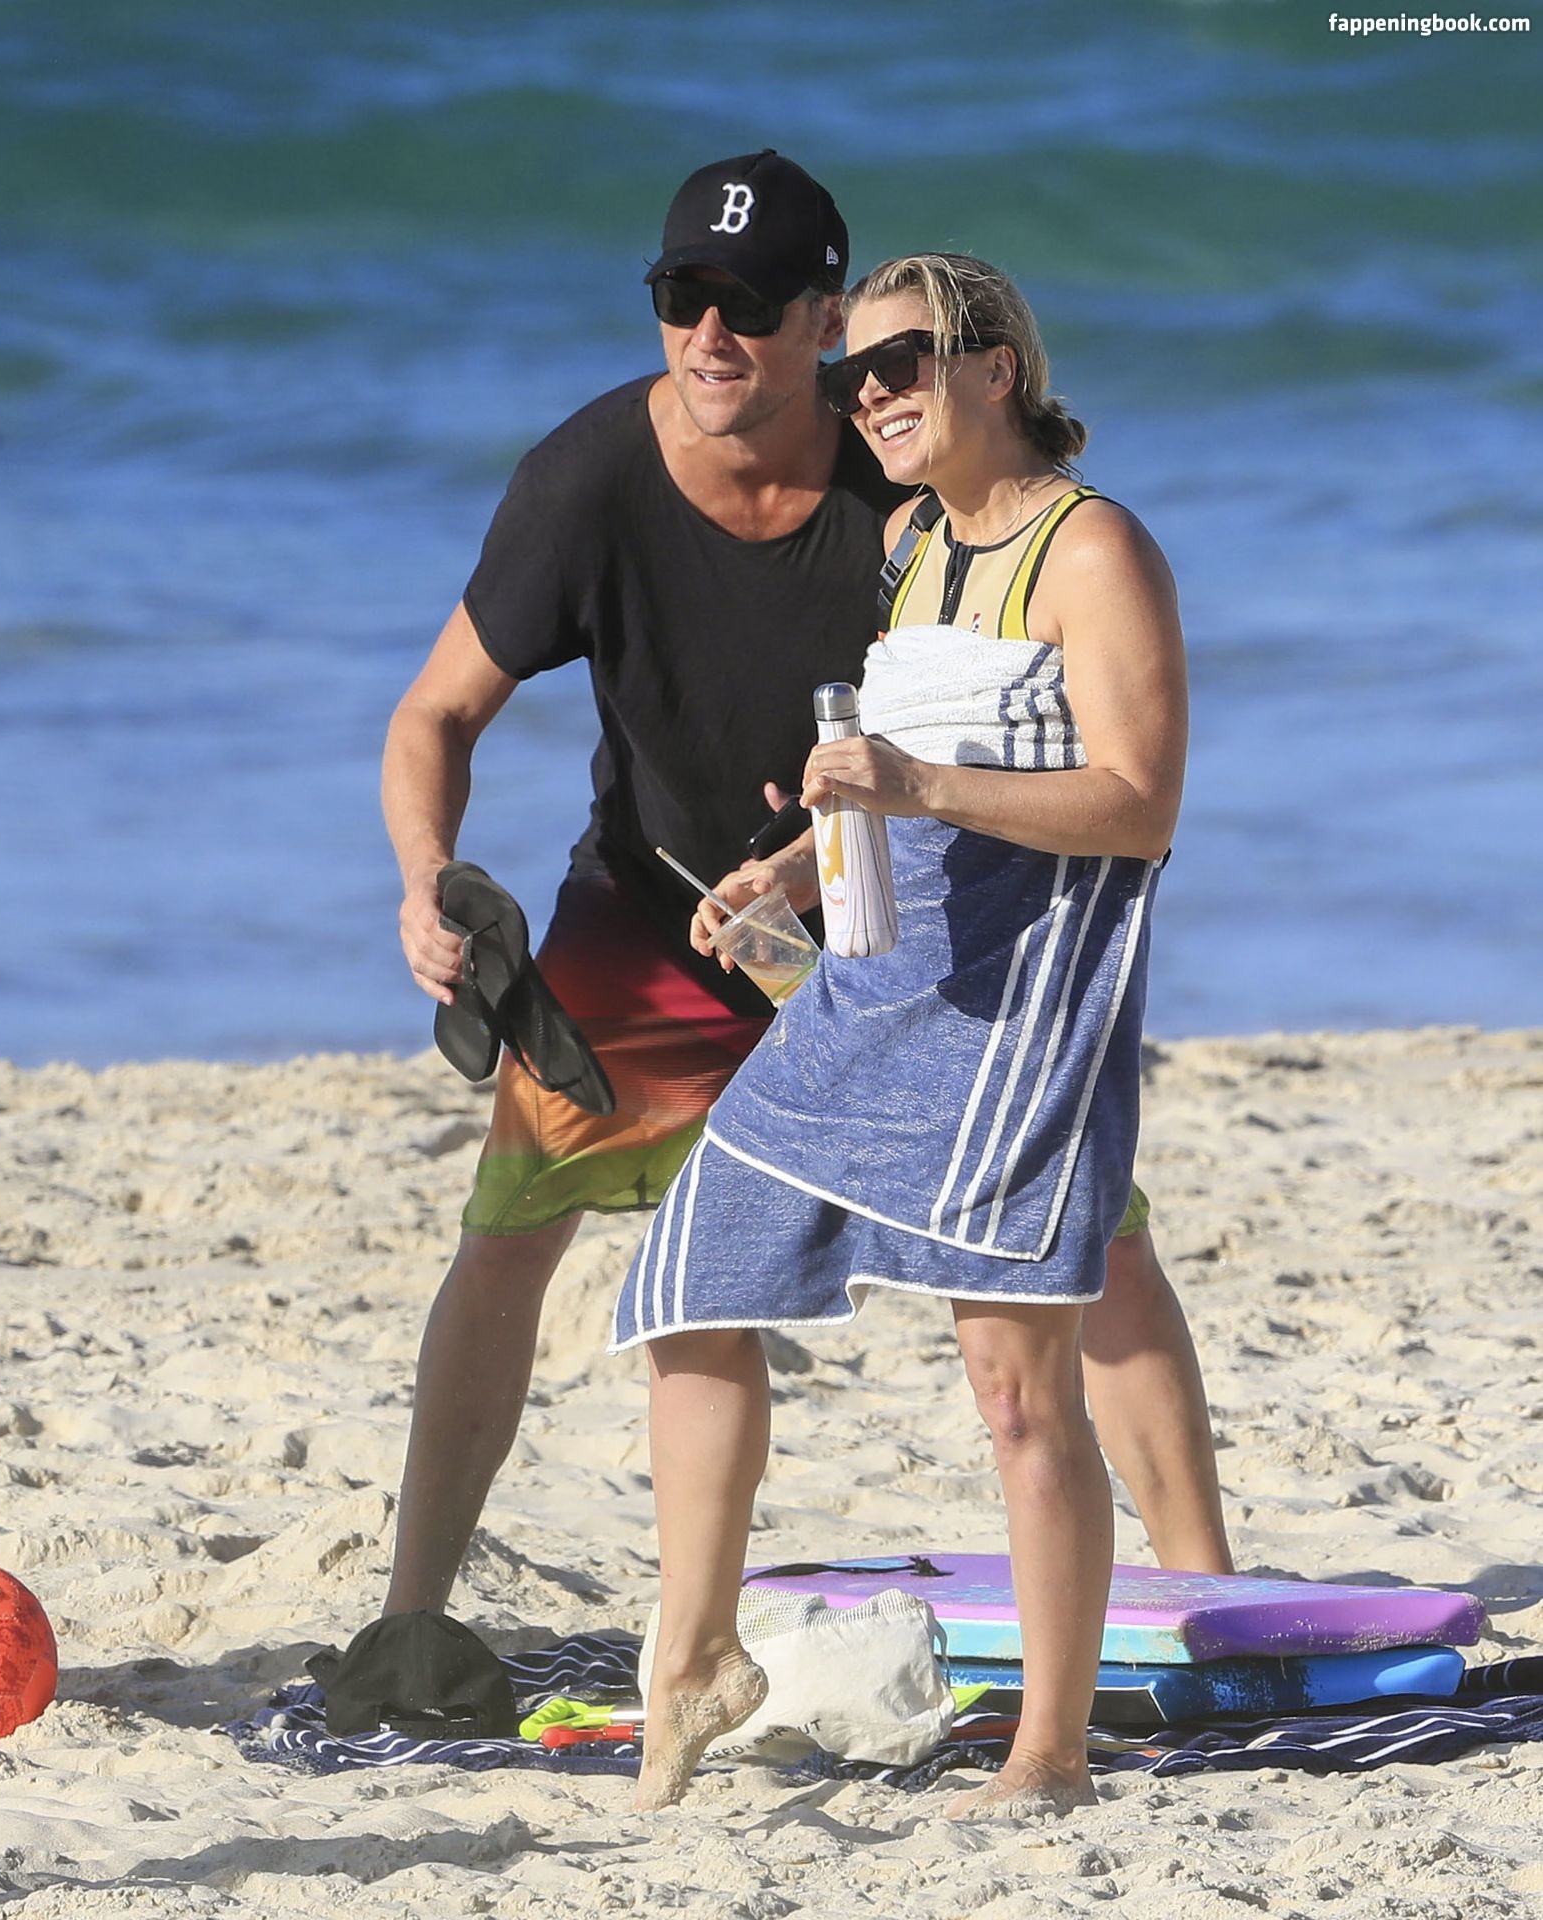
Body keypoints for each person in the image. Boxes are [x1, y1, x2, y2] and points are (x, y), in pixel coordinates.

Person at [379, 155, 1230, 1629]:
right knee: (511, 1228)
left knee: (1095, 1237)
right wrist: (424, 880)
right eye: (681, 297)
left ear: (824, 319)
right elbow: (433, 715)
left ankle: (1211, 1597)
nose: (711, 335)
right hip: (657, 912)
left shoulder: (901, 469)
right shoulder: (587, 480)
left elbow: (1050, 668)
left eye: (755, 304)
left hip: (894, 918)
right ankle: (409, 1613)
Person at [613, 251, 1190, 1815]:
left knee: (1016, 1394)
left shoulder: (1091, 549)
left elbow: (1138, 807)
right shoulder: (911, 541)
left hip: (1019, 1016)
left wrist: (912, 786)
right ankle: (696, 1653)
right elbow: (889, 776)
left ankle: (1049, 1754)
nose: (869, 395)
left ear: (994, 366)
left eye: (902, 363)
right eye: (851, 374)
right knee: (688, 1280)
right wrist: (792, 870)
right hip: (872, 989)